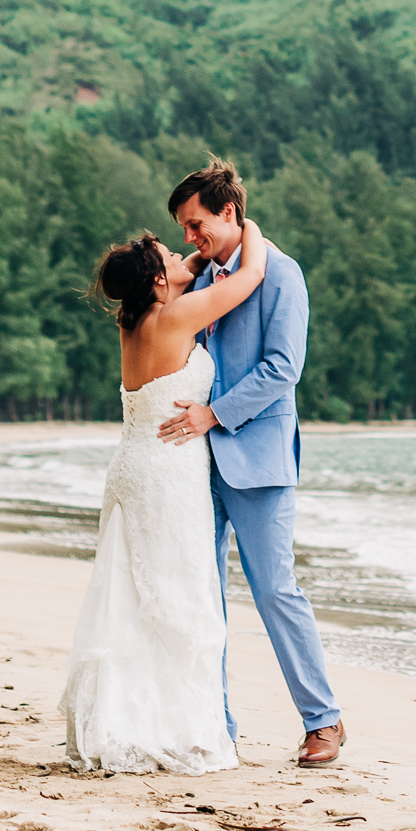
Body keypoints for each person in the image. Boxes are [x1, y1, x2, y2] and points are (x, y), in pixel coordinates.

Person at [58, 215, 269, 775]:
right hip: (166, 478)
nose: (184, 255)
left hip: (131, 468)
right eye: (168, 255)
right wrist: (246, 225)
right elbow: (247, 278)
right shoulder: (176, 316)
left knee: (129, 597)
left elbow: (193, 268)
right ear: (158, 282)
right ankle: (174, 730)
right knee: (180, 599)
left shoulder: (138, 321)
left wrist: (194, 257)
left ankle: (126, 720)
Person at [158, 159, 347, 768]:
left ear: (229, 212)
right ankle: (218, 725)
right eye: (185, 229)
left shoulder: (282, 275)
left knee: (275, 592)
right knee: (203, 594)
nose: (191, 236)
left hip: (257, 458)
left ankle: (324, 721)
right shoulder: (202, 277)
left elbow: (282, 369)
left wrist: (214, 415)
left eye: (196, 224)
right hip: (194, 462)